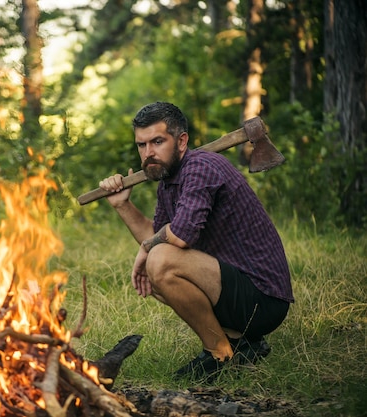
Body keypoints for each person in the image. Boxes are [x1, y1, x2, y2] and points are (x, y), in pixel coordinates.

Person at [98, 101, 293, 381]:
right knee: (158, 265)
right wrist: (122, 206)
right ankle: (242, 344)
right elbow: (157, 236)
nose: (148, 153)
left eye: (157, 142)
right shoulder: (169, 180)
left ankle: (220, 354)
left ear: (181, 141)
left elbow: (177, 238)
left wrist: (147, 248)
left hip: (263, 297)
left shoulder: (201, 167)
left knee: (160, 261)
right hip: (236, 291)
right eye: (142, 145)